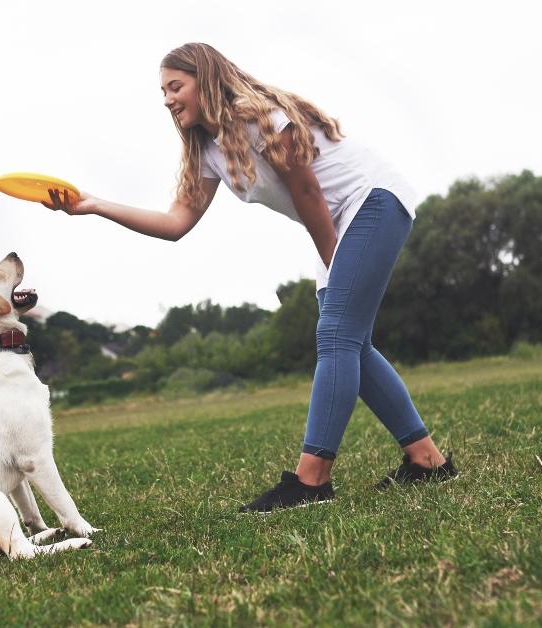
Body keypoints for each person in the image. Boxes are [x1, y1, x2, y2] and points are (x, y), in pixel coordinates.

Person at [44, 42, 457, 513]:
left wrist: (333, 259)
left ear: (206, 79)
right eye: (162, 92)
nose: (167, 100)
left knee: (337, 333)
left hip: (373, 199)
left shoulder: (258, 116)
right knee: (350, 342)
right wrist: (92, 204)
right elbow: (176, 224)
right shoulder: (207, 150)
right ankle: (426, 461)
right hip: (339, 221)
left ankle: (311, 480)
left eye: (175, 87)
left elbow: (307, 190)